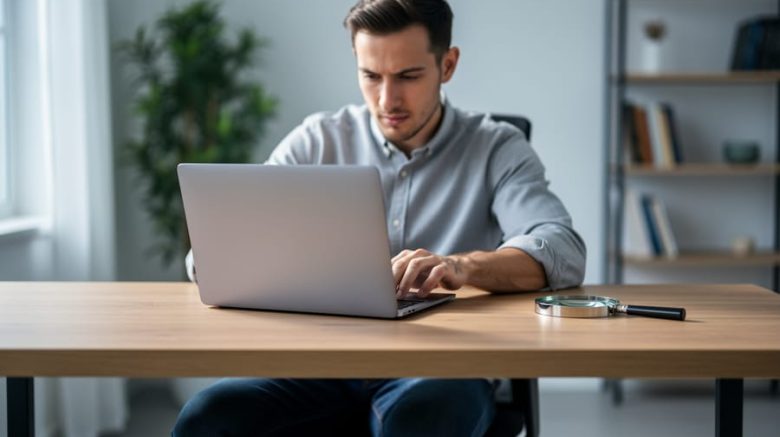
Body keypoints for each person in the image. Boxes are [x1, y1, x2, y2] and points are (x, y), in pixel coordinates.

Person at [173, 0, 586, 435]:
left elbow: (562, 249)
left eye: (408, 76)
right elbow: (211, 255)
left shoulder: (495, 148)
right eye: (371, 76)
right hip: (317, 365)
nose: (388, 100)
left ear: (448, 65)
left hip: (438, 369)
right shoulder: (317, 141)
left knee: (423, 419)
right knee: (207, 418)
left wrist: (459, 266)